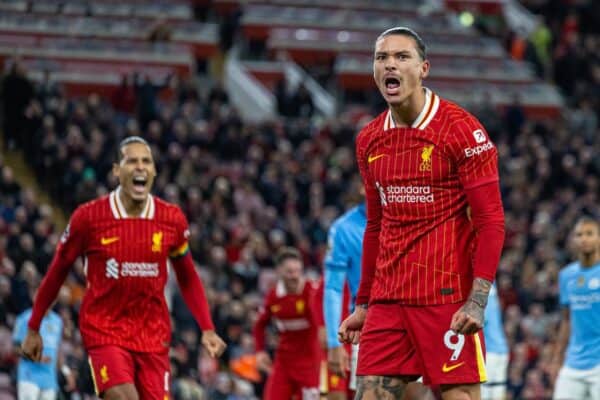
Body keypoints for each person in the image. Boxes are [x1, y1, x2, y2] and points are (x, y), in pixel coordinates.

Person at [338, 27, 505, 400]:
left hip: (446, 297)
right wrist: (363, 304)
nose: (389, 65)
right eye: (381, 58)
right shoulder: (369, 139)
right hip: (388, 299)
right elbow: (376, 226)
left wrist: (477, 301)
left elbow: (490, 221)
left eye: (401, 57)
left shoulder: (462, 130)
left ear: (423, 68)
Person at [20, 136, 226, 400]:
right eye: (132, 161)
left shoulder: (171, 219)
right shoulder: (89, 218)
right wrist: (34, 326)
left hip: (152, 337)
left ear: (153, 171)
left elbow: (187, 277)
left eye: (146, 161)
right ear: (117, 170)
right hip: (105, 330)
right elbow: (58, 270)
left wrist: (207, 327)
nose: (140, 167)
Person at [253, 247, 322, 400]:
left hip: (310, 364)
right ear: (279, 271)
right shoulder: (273, 296)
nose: (295, 276)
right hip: (284, 363)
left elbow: (322, 322)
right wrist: (259, 351)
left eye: (298, 271)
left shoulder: (312, 291)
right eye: (290, 272)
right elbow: (259, 325)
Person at [551, 217, 600, 400]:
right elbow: (566, 320)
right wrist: (557, 359)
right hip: (574, 362)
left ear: (599, 238)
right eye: (579, 235)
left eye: (589, 234)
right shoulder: (566, 276)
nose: (584, 239)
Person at [323, 201, 366, 399]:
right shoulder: (344, 228)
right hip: (368, 329)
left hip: (412, 319)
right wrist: (334, 343)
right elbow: (333, 288)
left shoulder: (412, 213)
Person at [13, 297, 65, 400]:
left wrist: (66, 371)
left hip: (50, 379)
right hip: (29, 376)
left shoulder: (58, 321)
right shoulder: (24, 318)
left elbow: (57, 349)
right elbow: (15, 348)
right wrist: (35, 357)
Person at [481, 283, 508, 400]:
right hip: (502, 350)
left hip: (489, 352)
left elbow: (482, 320)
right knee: (498, 393)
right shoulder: (492, 285)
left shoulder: (479, 290)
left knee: (484, 394)